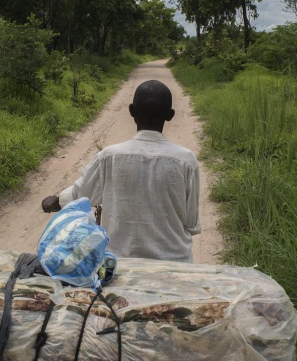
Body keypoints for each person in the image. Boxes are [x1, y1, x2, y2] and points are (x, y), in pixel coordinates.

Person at [41, 79, 201, 262]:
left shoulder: (109, 157)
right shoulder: (186, 161)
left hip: (118, 265)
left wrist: (57, 202)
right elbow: (191, 224)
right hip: (174, 264)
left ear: (131, 111)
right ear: (170, 115)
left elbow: (80, 195)